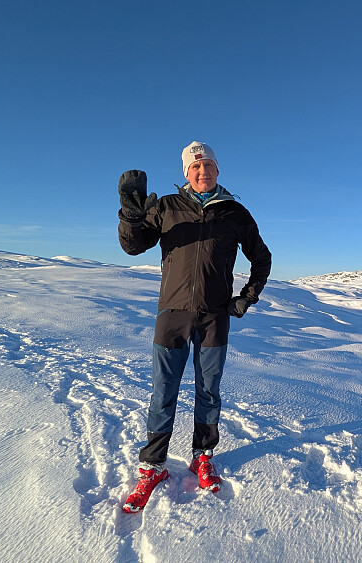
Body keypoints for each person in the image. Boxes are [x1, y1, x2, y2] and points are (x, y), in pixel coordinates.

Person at [116, 141, 272, 512]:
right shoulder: (166, 207)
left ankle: (202, 455)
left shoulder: (235, 213)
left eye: (209, 167)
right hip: (172, 313)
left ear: (218, 170)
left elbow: (261, 257)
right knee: (163, 391)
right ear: (186, 173)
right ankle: (152, 466)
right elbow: (133, 246)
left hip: (214, 316)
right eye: (196, 167)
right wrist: (131, 218)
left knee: (209, 391)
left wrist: (246, 297)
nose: (203, 172)